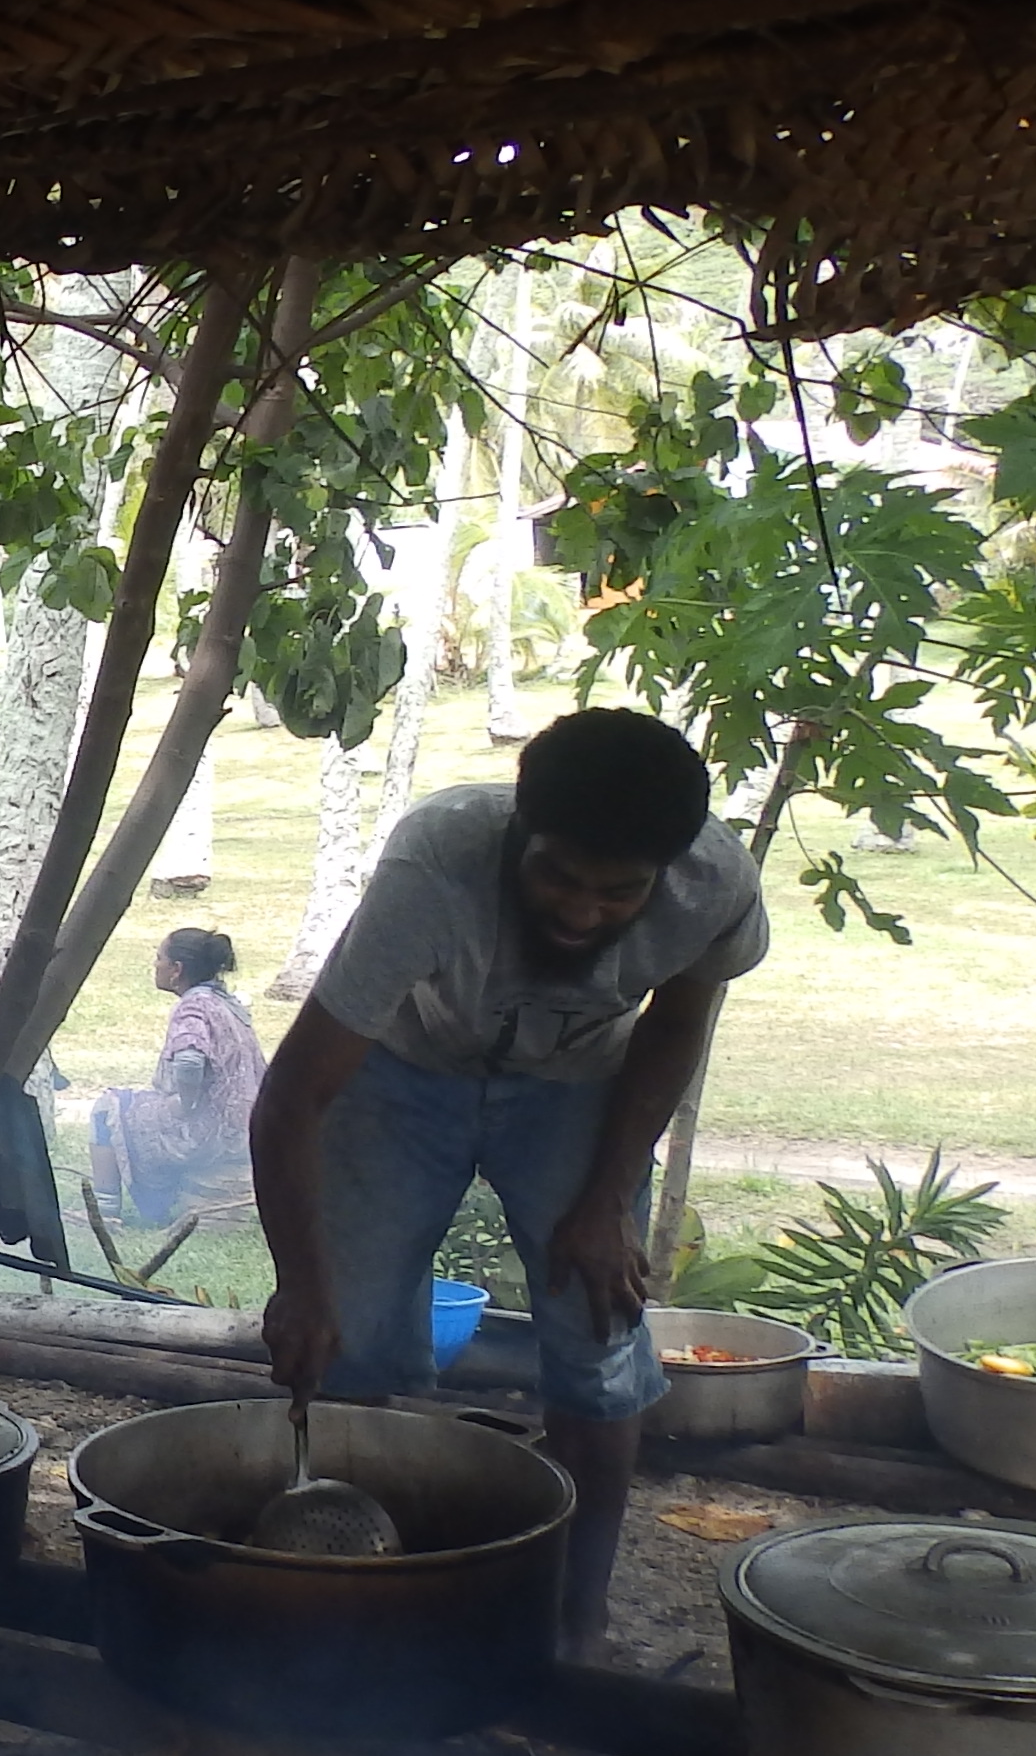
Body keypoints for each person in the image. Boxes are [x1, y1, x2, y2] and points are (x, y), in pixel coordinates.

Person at [252, 708, 769, 1655]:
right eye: (557, 876)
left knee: (598, 1330)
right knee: (346, 1336)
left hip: (579, 1088)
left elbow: (675, 1027)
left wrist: (607, 1200)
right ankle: (338, 1591)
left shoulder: (716, 885)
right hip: (403, 1072)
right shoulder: (434, 863)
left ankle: (576, 1614)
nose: (580, 910)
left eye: (617, 894)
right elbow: (293, 1094)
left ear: (665, 873)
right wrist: (301, 1280)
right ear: (519, 833)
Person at [85, 924, 262, 1229]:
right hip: (242, 1131)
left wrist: (185, 1103)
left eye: (159, 958)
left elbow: (190, 1060)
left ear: (176, 969)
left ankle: (105, 1211)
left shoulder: (193, 1004)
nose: (155, 965)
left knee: (108, 1107)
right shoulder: (230, 1006)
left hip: (207, 1130)